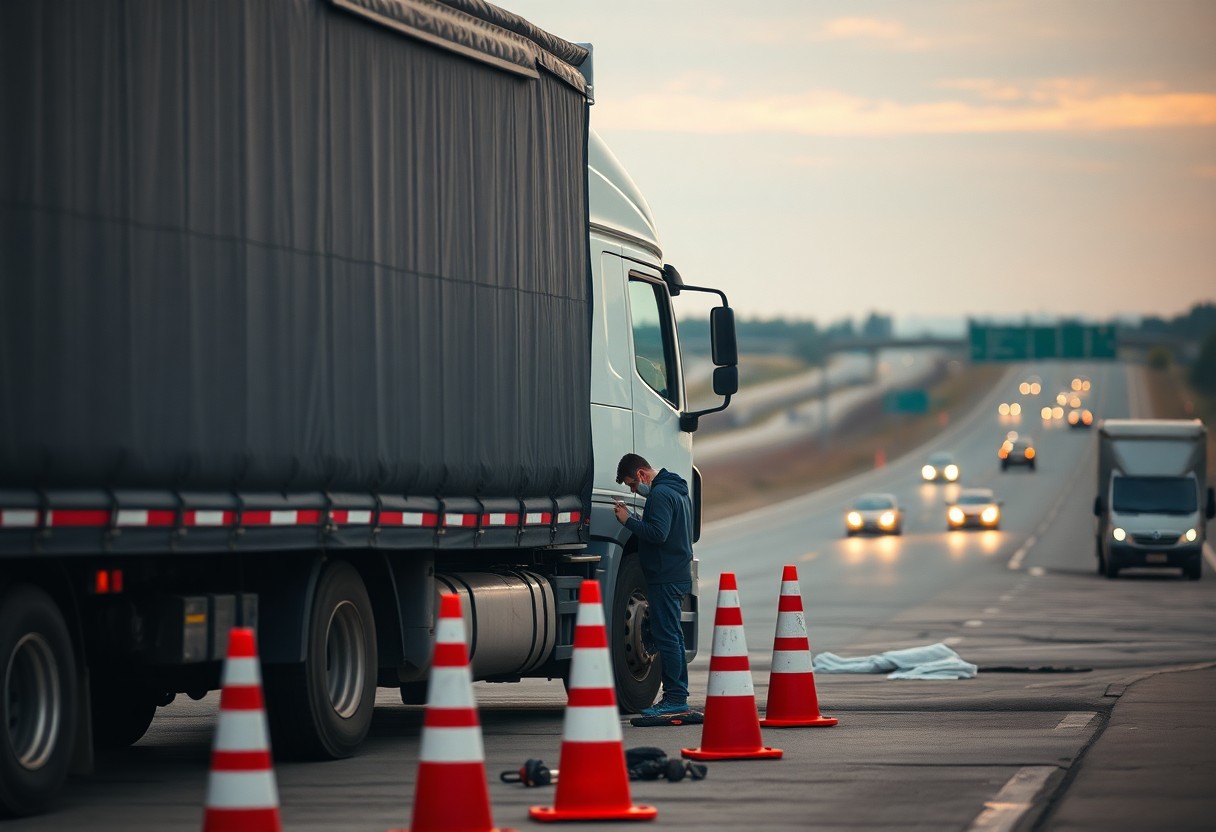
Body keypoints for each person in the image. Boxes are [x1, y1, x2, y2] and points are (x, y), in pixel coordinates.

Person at [613, 453, 693, 717]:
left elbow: (659, 534)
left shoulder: (659, 495)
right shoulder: (678, 490)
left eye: (632, 485)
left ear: (641, 475)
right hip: (676, 573)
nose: (635, 490)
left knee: (667, 637)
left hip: (665, 576)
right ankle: (677, 694)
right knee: (673, 636)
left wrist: (628, 521)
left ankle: (675, 698)